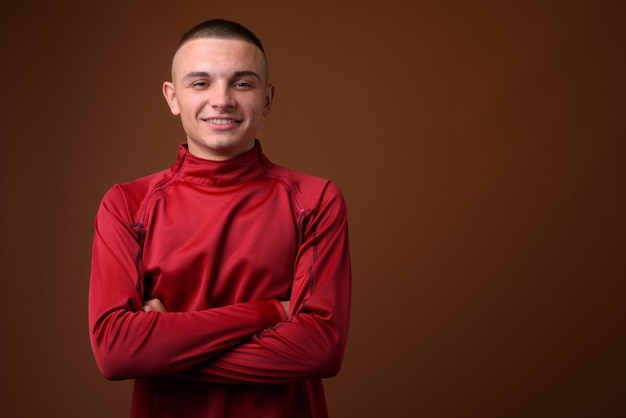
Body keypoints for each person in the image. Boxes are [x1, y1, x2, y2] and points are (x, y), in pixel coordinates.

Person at [88, 18, 352, 418]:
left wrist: (164, 347)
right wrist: (270, 312)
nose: (222, 99)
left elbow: (320, 349)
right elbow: (116, 353)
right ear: (172, 96)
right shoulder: (126, 204)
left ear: (267, 98)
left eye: (242, 83)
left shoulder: (315, 200)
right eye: (200, 83)